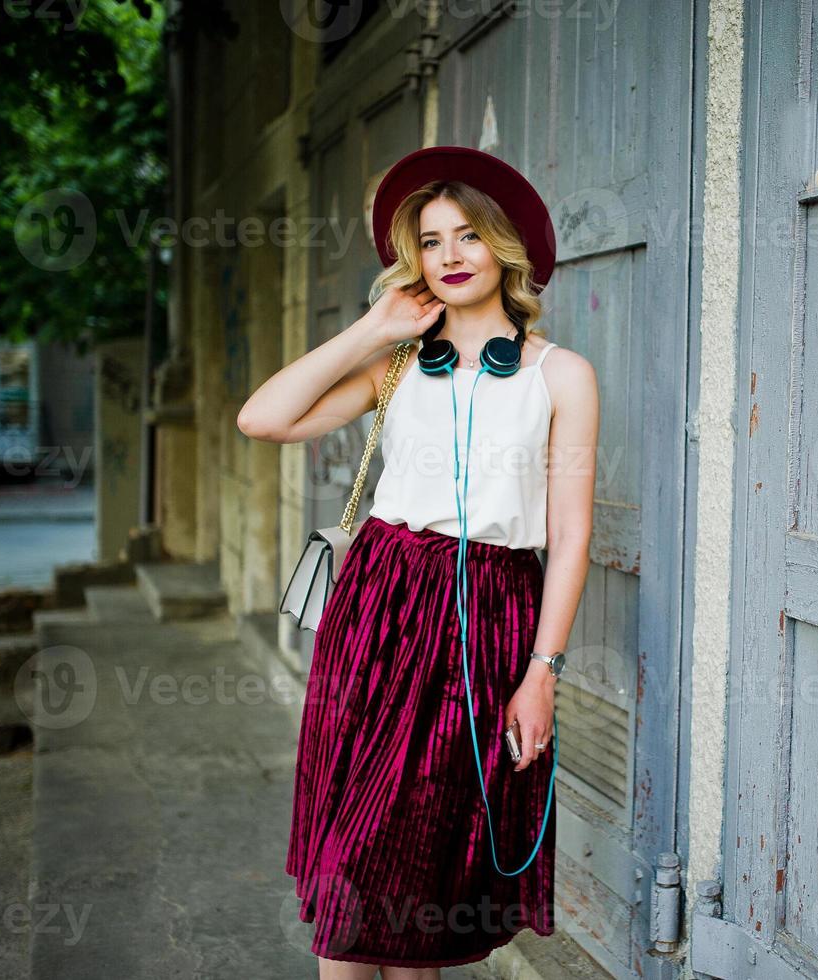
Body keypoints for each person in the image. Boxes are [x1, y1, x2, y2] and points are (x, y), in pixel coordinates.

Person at [236, 146, 599, 978]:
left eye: (466, 236)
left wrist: (541, 672)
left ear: (503, 247)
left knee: (420, 876)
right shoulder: (396, 363)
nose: (449, 257)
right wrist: (375, 327)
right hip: (379, 608)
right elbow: (264, 419)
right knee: (352, 868)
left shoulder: (561, 376)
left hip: (489, 617)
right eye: (430, 242)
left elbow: (570, 535)